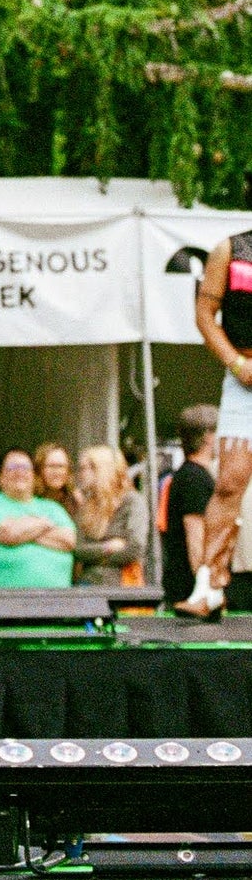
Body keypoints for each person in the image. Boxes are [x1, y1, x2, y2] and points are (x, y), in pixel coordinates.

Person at [179, 232, 252, 615]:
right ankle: (209, 587)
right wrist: (236, 364)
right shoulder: (232, 249)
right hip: (245, 374)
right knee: (228, 482)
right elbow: (204, 316)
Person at [0, 448, 76, 588]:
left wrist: (23, 531)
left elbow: (68, 540)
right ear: (0, 477)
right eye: (12, 467)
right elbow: (8, 533)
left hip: (57, 603)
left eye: (25, 467)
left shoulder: (53, 508)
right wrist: (44, 524)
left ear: (34, 476)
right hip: (3, 601)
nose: (20, 472)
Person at [163, 405, 218, 612]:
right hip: (189, 590)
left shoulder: (192, 475)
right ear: (208, 436)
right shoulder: (194, 478)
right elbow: (195, 536)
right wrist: (205, 592)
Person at [72, 446, 148, 588]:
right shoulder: (87, 505)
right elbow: (77, 549)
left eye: (83, 469)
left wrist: (93, 554)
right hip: (86, 584)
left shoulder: (131, 501)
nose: (79, 474)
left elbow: (135, 549)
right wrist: (107, 547)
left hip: (120, 588)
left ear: (100, 469)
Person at [33, 442, 75, 514]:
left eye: (61, 466)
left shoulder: (76, 502)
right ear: (39, 469)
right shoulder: (29, 499)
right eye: (51, 466)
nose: (56, 472)